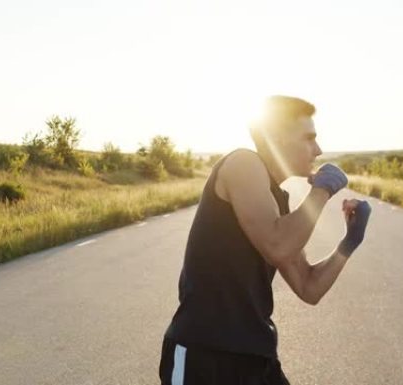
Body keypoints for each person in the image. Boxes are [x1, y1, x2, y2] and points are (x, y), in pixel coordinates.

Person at [158, 95, 372, 385]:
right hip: (205, 357)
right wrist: (321, 192)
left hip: (256, 358)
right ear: (277, 139)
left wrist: (348, 244)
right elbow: (277, 246)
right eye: (309, 138)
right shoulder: (243, 163)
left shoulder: (279, 203)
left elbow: (309, 287)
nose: (318, 149)